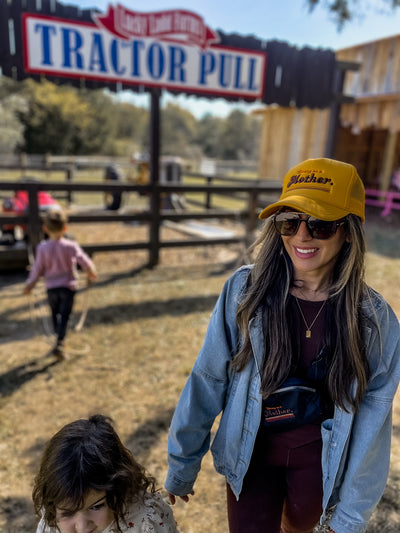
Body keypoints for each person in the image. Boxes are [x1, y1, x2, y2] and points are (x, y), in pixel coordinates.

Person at [165, 158, 400, 533]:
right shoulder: (245, 292)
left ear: (349, 232)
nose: (302, 236)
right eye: (289, 221)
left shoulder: (374, 321)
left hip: (318, 469)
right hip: (249, 459)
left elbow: (373, 425)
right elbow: (208, 378)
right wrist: (182, 463)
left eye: (321, 224)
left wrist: (351, 516)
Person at [32, 414, 178, 533]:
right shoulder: (54, 513)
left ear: (119, 487)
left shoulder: (147, 522)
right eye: (68, 513)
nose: (82, 528)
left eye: (96, 506)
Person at [24, 208, 97, 359]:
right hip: (68, 288)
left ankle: (58, 340)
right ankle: (60, 341)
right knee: (64, 316)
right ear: (65, 228)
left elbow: (37, 269)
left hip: (51, 289)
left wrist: (30, 284)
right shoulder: (70, 246)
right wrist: (91, 271)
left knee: (54, 315)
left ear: (45, 228)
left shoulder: (42, 248)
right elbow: (84, 260)